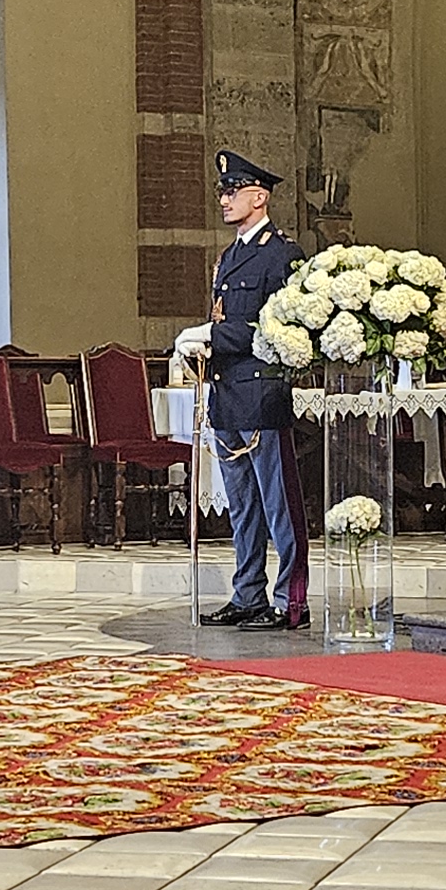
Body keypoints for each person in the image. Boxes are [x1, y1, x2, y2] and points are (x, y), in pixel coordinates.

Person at [176, 150, 307, 629]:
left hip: (262, 392)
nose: (225, 199)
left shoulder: (283, 255)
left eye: (233, 191)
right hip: (227, 391)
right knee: (243, 507)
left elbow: (276, 331)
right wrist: (204, 344)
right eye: (222, 191)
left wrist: (209, 335)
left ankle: (289, 601)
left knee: (278, 506)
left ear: (260, 195)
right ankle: (247, 593)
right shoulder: (230, 256)